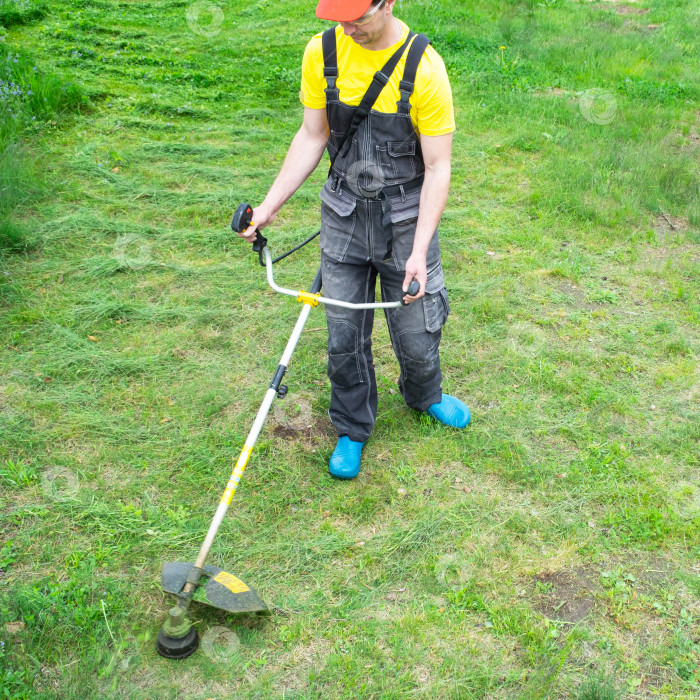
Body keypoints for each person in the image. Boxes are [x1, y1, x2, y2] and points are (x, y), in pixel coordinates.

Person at [238, 0, 470, 479]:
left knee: (418, 329)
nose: (346, 28)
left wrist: (421, 248)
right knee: (343, 334)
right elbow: (311, 135)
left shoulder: (424, 66)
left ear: (387, 4)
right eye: (336, 18)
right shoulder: (322, 52)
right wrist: (267, 208)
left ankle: (425, 395)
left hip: (406, 223)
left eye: (357, 17)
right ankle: (350, 426)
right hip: (342, 216)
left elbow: (437, 167)